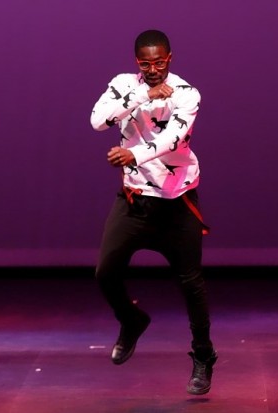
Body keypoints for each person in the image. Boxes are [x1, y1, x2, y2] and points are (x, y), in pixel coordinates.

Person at [90, 29, 217, 395]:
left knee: (190, 283)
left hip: (177, 202)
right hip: (134, 201)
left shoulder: (186, 93)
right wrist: (143, 95)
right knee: (105, 272)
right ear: (137, 63)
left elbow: (171, 140)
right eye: (146, 64)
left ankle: (203, 355)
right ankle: (131, 320)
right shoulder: (123, 85)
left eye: (159, 62)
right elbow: (98, 121)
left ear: (169, 59)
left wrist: (133, 154)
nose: (153, 69)